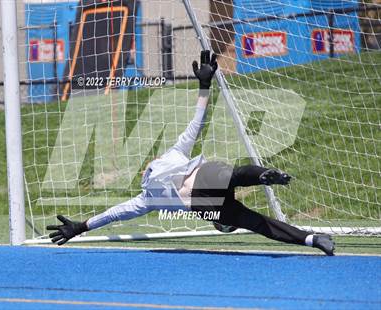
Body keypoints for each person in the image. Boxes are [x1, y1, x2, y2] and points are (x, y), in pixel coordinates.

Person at [47, 50, 335, 256]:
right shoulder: (147, 195)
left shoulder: (164, 170)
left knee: (239, 189)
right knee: (250, 210)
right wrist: (81, 226)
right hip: (204, 202)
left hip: (204, 191)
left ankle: (272, 186)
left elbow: (195, 124)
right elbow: (115, 214)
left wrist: (205, 85)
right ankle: (310, 236)